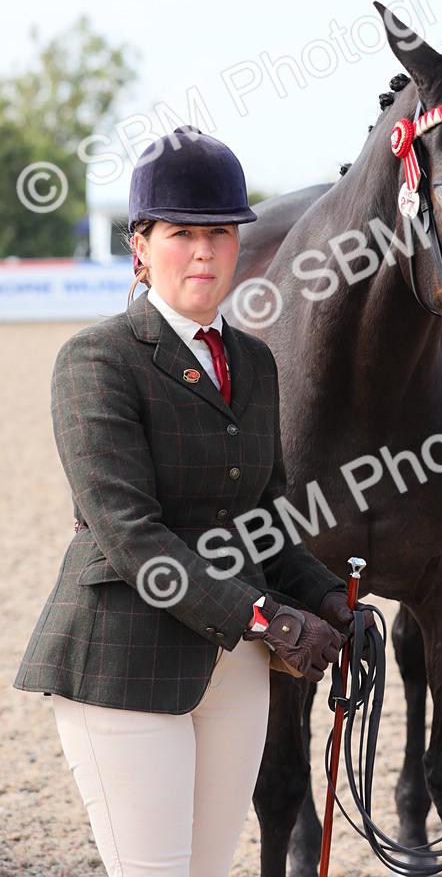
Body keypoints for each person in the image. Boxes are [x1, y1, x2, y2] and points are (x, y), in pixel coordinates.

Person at [15, 126, 366, 877]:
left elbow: (267, 521)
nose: (203, 252)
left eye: (219, 233)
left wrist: (332, 600)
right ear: (141, 244)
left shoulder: (255, 362)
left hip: (233, 668)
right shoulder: (96, 358)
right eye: (181, 233)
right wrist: (269, 617)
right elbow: (130, 533)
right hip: (123, 660)